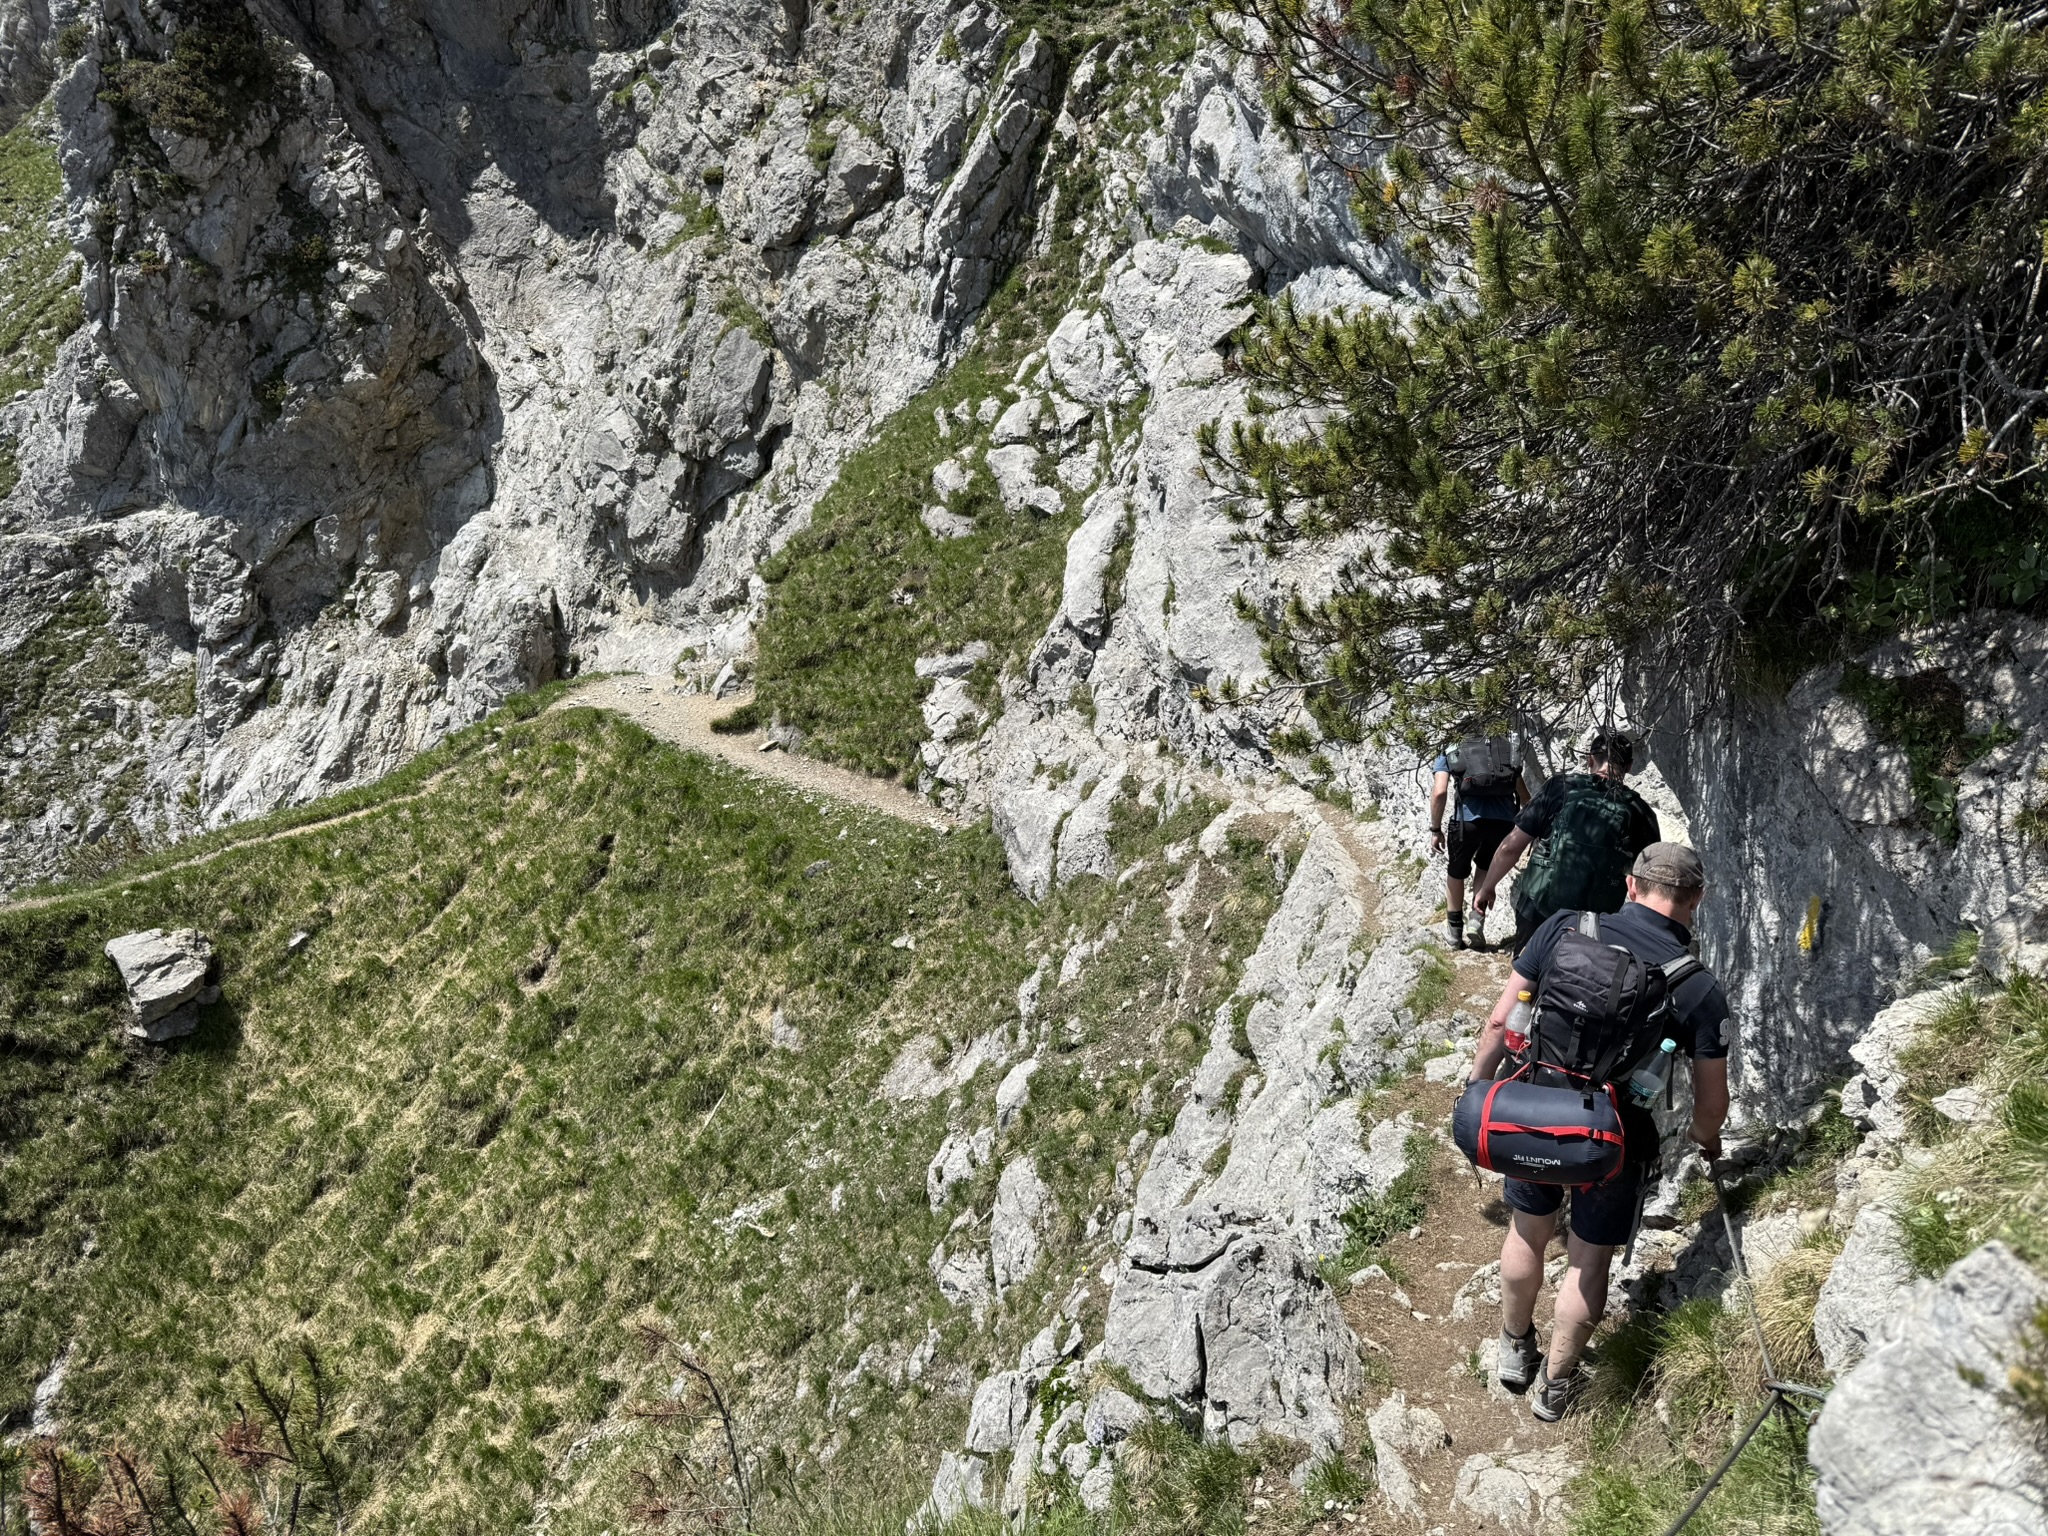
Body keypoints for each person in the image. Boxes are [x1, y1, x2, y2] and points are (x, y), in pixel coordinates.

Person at [1467, 843, 1731, 1420]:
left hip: (1531, 1107)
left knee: (1527, 1231)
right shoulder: (1696, 987)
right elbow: (1712, 1106)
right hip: (1613, 1138)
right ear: (1696, 902)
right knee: (1589, 1261)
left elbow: (1498, 1020)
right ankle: (1556, 1387)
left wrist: (1478, 1085)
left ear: (1631, 885)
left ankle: (1514, 1347)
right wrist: (1706, 1141)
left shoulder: (1566, 926)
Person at [1471, 729, 1660, 955]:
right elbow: (1649, 879)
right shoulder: (1639, 811)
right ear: (1628, 767)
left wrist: (1487, 887)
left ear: (1590, 759)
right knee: (1576, 983)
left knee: (1527, 977)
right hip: (1595, 923)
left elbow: (1512, 846)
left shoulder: (1559, 788)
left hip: (1538, 907)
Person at [1429, 735, 1530, 950]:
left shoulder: (1452, 747)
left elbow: (1439, 792)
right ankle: (1476, 920)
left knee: (1456, 871)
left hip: (1466, 823)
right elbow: (1524, 796)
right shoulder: (1502, 750)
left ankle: (1455, 933)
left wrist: (1436, 829)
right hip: (1503, 823)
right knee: (1485, 865)